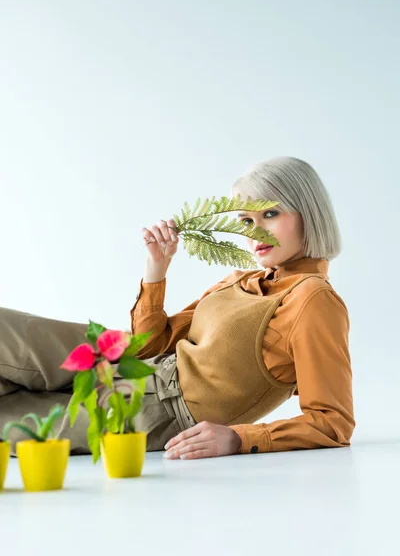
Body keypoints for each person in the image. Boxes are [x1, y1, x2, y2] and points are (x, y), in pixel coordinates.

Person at [0, 156, 355, 460]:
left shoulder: (313, 301)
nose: (255, 233)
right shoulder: (239, 280)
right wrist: (157, 268)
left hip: (155, 412)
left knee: (8, 420)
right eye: (246, 221)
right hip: (124, 356)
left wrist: (239, 437)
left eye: (270, 214)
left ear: (308, 213)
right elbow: (153, 344)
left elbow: (332, 421)